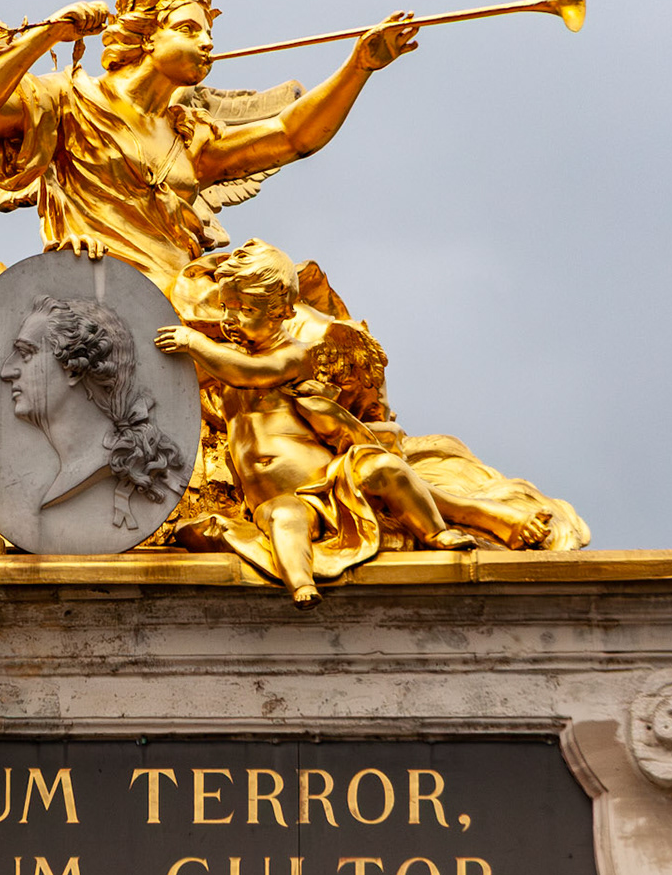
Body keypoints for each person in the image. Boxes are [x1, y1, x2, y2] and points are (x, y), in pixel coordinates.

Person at [0, 0, 419, 315]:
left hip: (180, 289)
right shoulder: (66, 97)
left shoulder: (190, 134)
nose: (208, 43)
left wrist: (358, 68)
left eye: (210, 33)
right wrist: (48, 34)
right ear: (147, 38)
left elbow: (291, 136)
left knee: (302, 302)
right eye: (190, 30)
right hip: (104, 284)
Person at [157, 240, 560, 607]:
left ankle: (436, 532)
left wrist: (195, 342)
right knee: (286, 520)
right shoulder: (223, 360)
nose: (231, 319)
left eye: (245, 310)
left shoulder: (292, 355)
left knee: (386, 469)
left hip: (330, 475)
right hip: (275, 496)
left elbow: (251, 373)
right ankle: (301, 585)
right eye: (226, 308)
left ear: (281, 312)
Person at [0, 293, 187, 526]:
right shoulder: (64, 474)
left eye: (26, 353)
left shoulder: (98, 467)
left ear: (74, 370)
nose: (7, 371)